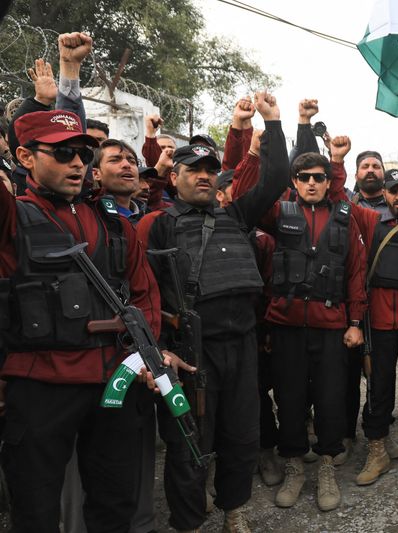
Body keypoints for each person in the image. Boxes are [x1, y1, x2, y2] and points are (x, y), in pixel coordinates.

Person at [0, 108, 161, 533]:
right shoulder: (13, 217)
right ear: (25, 157)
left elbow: (143, 296)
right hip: (40, 387)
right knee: (34, 508)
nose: (77, 163)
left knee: (114, 502)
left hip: (112, 384)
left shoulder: (115, 225)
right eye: (63, 153)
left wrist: (144, 359)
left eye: (83, 155)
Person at [136, 91, 289, 533]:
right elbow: (144, 294)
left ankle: (233, 511)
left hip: (240, 348)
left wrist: (273, 120)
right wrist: (160, 350)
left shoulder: (237, 215)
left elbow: (277, 175)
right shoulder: (158, 224)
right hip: (189, 355)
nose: (204, 177)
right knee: (188, 446)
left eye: (210, 170)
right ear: (175, 177)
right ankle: (188, 523)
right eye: (194, 170)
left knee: (242, 437)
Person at [258, 142, 367, 513]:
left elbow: (355, 273)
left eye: (318, 178)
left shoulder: (344, 218)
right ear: (294, 181)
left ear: (328, 181)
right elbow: (249, 197)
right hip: (287, 326)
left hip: (331, 326)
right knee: (288, 400)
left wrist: (355, 323)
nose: (311, 183)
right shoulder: (279, 213)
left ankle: (325, 467)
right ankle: (293, 467)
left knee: (331, 399)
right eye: (303, 178)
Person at [326, 136, 398, 485]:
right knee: (379, 385)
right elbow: (335, 198)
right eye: (393, 191)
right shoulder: (371, 222)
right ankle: (378, 449)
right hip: (378, 317)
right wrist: (337, 161)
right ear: (385, 195)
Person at [92, 139, 147, 223]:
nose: (127, 165)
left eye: (132, 161)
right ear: (96, 174)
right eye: (115, 160)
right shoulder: (88, 217)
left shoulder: (150, 218)